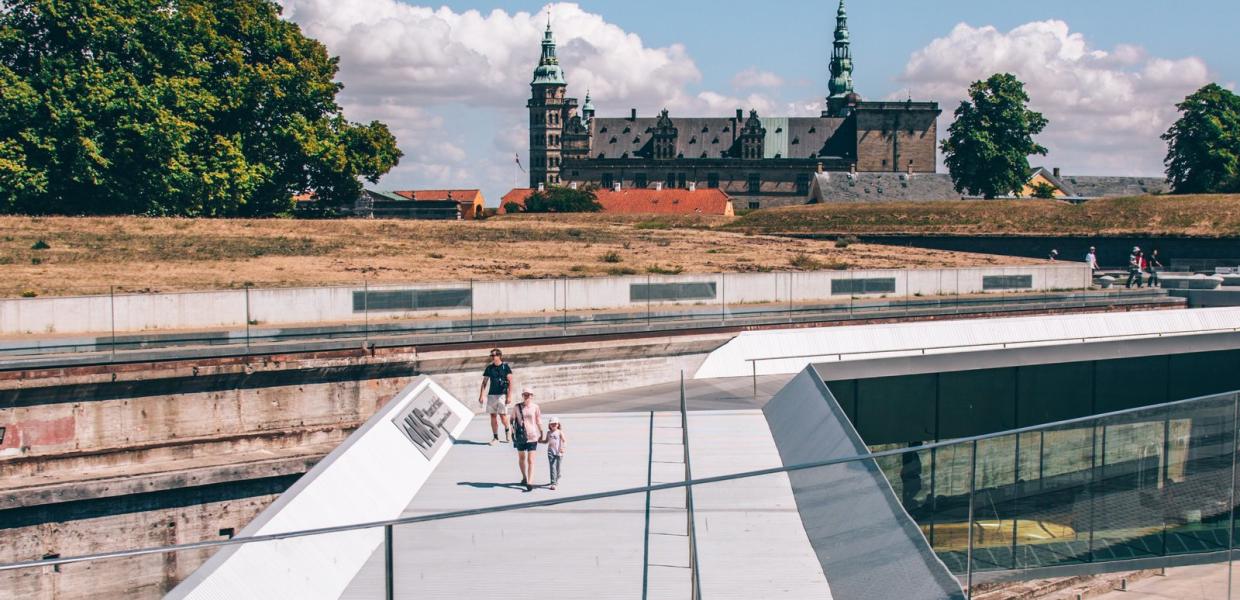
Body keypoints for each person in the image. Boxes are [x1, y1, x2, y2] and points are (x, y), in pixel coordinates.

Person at [509, 387, 544, 491]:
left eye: (529, 395)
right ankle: (524, 476)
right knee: (521, 458)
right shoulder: (517, 407)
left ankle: (529, 481)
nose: (527, 396)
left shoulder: (535, 407)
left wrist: (541, 432)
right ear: (522, 395)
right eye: (525, 394)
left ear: (532, 396)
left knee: (530, 460)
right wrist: (512, 433)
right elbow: (511, 420)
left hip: (532, 436)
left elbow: (538, 420)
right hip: (520, 436)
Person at [478, 348, 513, 444]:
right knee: (493, 416)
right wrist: (481, 395)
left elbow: (510, 382)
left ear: (499, 356)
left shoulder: (505, 367)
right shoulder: (489, 368)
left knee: (503, 416)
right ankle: (495, 438)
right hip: (492, 395)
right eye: (491, 356)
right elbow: (484, 382)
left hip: (502, 395)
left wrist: (509, 396)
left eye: (494, 355)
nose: (492, 357)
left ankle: (507, 430)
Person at [545, 417, 567, 490]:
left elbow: (564, 441)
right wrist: (540, 441)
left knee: (558, 467)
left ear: (558, 424)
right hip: (550, 452)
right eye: (552, 424)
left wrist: (563, 448)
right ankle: (553, 483)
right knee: (552, 467)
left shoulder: (560, 432)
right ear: (549, 425)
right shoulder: (548, 433)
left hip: (559, 453)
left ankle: (557, 476)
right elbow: (546, 441)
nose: (553, 425)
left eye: (555, 424)